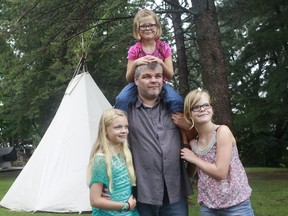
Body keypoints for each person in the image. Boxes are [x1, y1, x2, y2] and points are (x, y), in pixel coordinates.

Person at [126, 62, 193, 216]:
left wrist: (189, 126)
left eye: (157, 76)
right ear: (136, 80)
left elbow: (199, 138)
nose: (154, 80)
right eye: (147, 76)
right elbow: (109, 143)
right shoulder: (125, 112)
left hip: (174, 192)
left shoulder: (176, 110)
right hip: (142, 193)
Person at [114, 8, 189, 145]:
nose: (148, 28)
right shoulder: (134, 49)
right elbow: (128, 78)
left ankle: (184, 137)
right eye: (143, 26)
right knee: (121, 99)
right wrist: (136, 62)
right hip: (137, 84)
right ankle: (121, 129)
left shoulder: (164, 47)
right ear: (138, 29)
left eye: (151, 25)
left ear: (157, 27)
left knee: (177, 100)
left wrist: (160, 61)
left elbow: (170, 74)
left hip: (161, 83)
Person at [180, 89, 254, 216]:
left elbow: (221, 172)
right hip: (208, 206)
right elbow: (191, 173)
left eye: (205, 105)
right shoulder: (194, 143)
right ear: (189, 114)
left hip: (236, 204)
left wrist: (194, 158)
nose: (202, 109)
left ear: (211, 108)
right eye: (196, 107)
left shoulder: (222, 132)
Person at [87, 108, 139, 216]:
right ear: (105, 130)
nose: (124, 130)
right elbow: (95, 200)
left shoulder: (124, 152)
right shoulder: (101, 159)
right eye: (118, 127)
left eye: (126, 126)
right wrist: (126, 206)